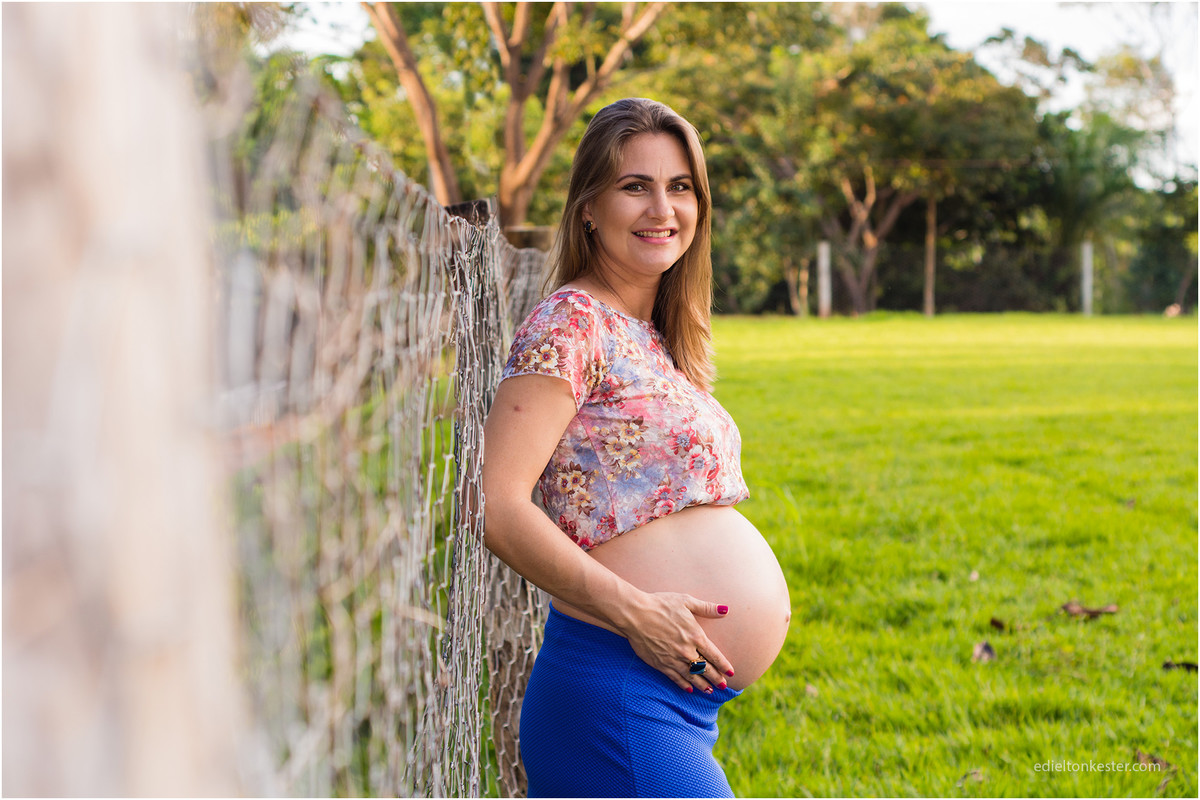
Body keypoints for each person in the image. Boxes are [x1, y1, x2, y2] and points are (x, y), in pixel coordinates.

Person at [482, 97, 791, 798]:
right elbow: (495, 505)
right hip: (617, 693)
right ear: (589, 206)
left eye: (680, 187)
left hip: (670, 701)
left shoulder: (652, 334)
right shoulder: (571, 323)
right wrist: (636, 612)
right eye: (635, 186)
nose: (663, 208)